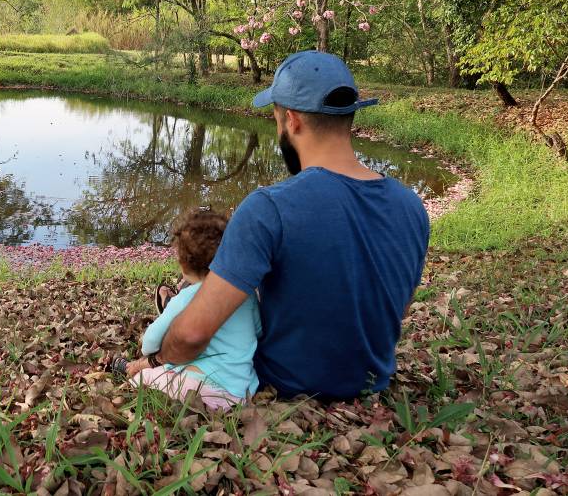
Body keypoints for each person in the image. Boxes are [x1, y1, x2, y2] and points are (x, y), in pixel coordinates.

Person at [143, 51, 430, 401]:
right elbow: (395, 309)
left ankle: (175, 301)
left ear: (291, 121)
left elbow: (191, 336)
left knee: (198, 319)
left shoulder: (269, 208)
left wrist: (156, 359)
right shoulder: (411, 206)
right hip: (370, 384)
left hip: (287, 387)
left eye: (276, 120)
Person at [114, 208, 261, 410]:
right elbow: (258, 329)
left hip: (203, 391)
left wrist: (149, 351)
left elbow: (149, 344)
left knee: (145, 377)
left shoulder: (186, 298)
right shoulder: (246, 294)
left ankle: (129, 371)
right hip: (242, 390)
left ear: (183, 263)